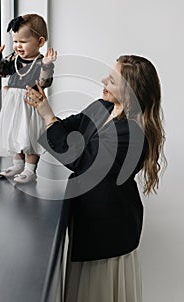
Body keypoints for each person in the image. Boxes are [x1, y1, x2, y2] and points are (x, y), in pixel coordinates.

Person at [25, 55, 166, 302]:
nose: (103, 80)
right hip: (89, 222)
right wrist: (44, 108)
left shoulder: (133, 134)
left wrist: (49, 116)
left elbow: (80, 160)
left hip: (108, 234)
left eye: (112, 79)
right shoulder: (102, 107)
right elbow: (68, 128)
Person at [0, 14, 57, 183]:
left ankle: (30, 169)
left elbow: (44, 82)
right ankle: (18, 164)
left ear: (40, 42)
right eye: (15, 41)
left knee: (30, 136)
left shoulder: (41, 62)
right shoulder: (14, 58)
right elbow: (0, 72)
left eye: (23, 42)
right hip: (13, 103)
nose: (18, 45)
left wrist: (47, 65)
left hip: (31, 104)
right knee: (14, 132)